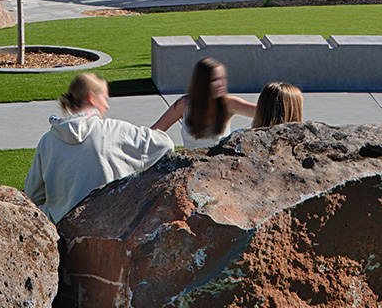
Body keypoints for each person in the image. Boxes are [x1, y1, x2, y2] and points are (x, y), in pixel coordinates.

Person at [24, 72, 175, 223]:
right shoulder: (113, 131)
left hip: (59, 234)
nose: (107, 105)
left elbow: (32, 196)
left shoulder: (47, 141)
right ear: (91, 97)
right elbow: (165, 145)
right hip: (106, 230)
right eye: (105, 98)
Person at [153, 57, 258, 149]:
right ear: (202, 82)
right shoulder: (184, 105)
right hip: (190, 166)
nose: (221, 84)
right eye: (215, 80)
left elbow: (263, 111)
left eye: (223, 78)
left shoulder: (229, 104)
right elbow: (153, 133)